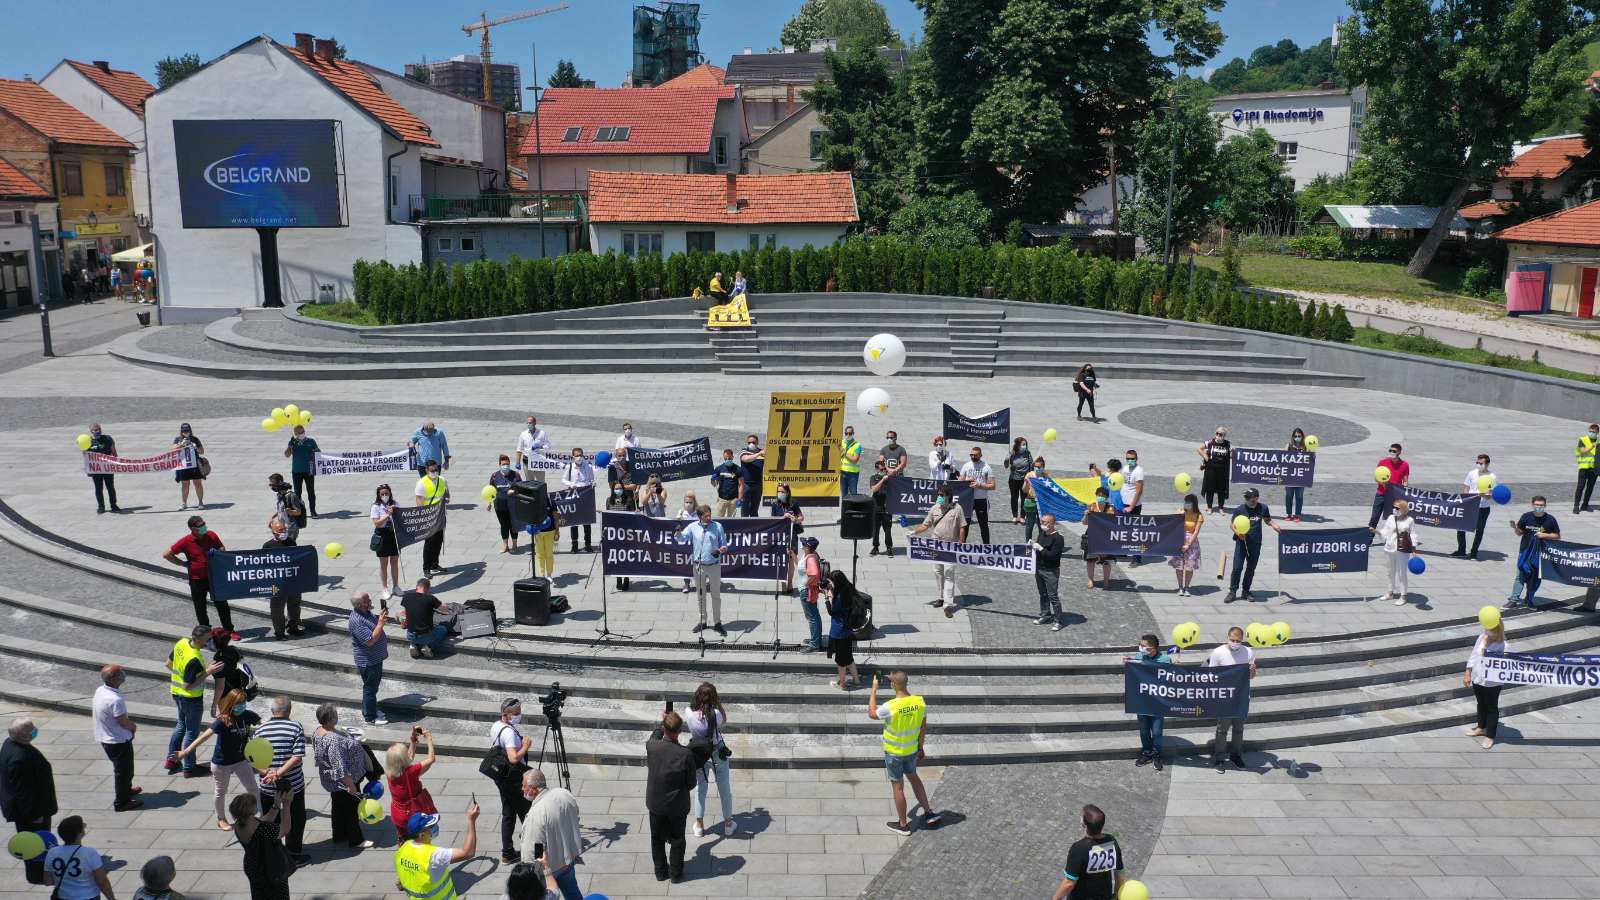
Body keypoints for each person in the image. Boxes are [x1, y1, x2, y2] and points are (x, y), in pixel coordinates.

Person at [869, 671, 941, 835]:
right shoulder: (920, 702)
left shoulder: (890, 706)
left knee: (898, 787)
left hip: (894, 752)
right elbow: (923, 727)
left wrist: (874, 689)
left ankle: (903, 825)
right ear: (906, 683)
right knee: (914, 778)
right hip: (911, 751)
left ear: (893, 685)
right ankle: (928, 812)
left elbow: (872, 713)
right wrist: (920, 747)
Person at [179, 687, 260, 831]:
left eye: (244, 703)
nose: (242, 706)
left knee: (253, 788)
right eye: (238, 703)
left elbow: (264, 724)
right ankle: (221, 818)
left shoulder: (247, 715)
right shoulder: (223, 720)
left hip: (241, 760)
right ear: (231, 704)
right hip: (222, 763)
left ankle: (256, 813)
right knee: (221, 791)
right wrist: (186, 752)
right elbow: (204, 737)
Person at [1, 716, 56, 884]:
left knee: (34, 842)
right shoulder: (20, 759)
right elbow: (24, 792)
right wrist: (34, 815)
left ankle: (37, 873)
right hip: (32, 813)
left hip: (29, 810)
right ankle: (37, 875)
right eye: (32, 729)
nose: (35, 730)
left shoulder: (10, 744)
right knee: (35, 843)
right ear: (24, 736)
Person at [312, 703, 374, 849]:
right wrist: (351, 785)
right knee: (351, 809)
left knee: (338, 806)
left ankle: (339, 835)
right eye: (335, 715)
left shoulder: (317, 732)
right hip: (344, 781)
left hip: (330, 780)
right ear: (331, 719)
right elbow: (339, 766)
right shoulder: (332, 740)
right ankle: (356, 839)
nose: (337, 717)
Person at [645, 711, 697, 883]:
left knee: (656, 839)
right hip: (677, 805)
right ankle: (675, 874)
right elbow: (691, 784)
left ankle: (660, 872)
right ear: (679, 731)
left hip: (656, 803)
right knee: (677, 840)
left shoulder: (652, 746)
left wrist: (662, 723)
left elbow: (655, 735)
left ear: (664, 728)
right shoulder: (685, 755)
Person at [255, 696, 308, 863]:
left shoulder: (260, 730)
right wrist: (279, 773)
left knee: (270, 821)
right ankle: (294, 855)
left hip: (268, 787)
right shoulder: (295, 727)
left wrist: (268, 773)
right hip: (293, 787)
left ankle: (273, 855)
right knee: (296, 820)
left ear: (272, 711)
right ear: (289, 710)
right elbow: (297, 757)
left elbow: (252, 760)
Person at [519, 768, 585, 900]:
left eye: (524, 786)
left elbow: (536, 850)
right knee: (573, 894)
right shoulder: (564, 794)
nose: (522, 789)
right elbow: (575, 815)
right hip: (568, 860)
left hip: (549, 869)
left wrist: (532, 870)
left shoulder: (536, 814)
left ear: (534, 788)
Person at [164, 515, 235, 635]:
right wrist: (183, 564)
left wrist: (218, 552)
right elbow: (167, 554)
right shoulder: (186, 541)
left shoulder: (211, 535)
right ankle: (206, 633)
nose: (204, 527)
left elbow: (222, 547)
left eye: (204, 524)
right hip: (197, 580)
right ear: (193, 529)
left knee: (222, 604)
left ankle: (229, 630)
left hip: (214, 577)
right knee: (200, 607)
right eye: (200, 526)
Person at [165, 625, 220, 779]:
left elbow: (168, 663)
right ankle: (189, 767)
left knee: (181, 725)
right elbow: (188, 686)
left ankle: (172, 760)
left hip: (176, 693)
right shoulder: (194, 659)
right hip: (191, 698)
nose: (210, 641)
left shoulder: (182, 643)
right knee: (191, 731)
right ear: (200, 639)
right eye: (208, 639)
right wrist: (207, 672)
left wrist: (182, 675)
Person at [683, 682, 735, 840]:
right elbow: (724, 719)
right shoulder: (716, 714)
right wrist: (718, 703)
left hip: (699, 754)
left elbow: (692, 708)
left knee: (700, 788)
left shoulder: (689, 713)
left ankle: (699, 825)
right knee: (724, 788)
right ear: (713, 698)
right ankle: (728, 824)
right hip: (717, 753)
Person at [395, 806, 480, 900]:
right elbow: (468, 853)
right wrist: (471, 821)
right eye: (431, 827)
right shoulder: (434, 855)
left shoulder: (403, 849)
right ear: (422, 835)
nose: (435, 828)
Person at [1205, 626, 1257, 770]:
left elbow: (1251, 676)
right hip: (1225, 697)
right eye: (1232, 640)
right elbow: (1211, 675)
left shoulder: (1248, 652)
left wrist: (1252, 671)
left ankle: (1236, 756)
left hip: (1241, 697)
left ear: (1242, 640)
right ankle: (1219, 758)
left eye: (1238, 640)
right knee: (1222, 729)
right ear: (1227, 637)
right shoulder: (1218, 653)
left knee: (1239, 729)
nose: (1235, 642)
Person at [909, 484, 966, 616]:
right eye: (938, 495)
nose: (939, 497)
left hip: (950, 546)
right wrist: (914, 532)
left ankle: (948, 605)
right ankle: (941, 598)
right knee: (937, 571)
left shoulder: (957, 509)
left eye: (942, 495)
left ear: (948, 496)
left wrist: (962, 543)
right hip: (936, 545)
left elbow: (963, 526)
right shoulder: (934, 508)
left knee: (949, 574)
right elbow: (925, 525)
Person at [1050, 804, 1125, 900]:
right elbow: (1120, 875)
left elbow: (1069, 883)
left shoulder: (1079, 848)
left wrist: (1055, 898)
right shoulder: (1112, 842)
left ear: (1084, 824)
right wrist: (1116, 896)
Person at [93, 664, 141, 811]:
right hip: (117, 740)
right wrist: (133, 727)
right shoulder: (115, 700)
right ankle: (121, 802)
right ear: (114, 679)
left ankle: (126, 790)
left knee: (126, 769)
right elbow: (122, 721)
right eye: (120, 673)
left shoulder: (101, 690)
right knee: (123, 771)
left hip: (106, 737)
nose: (123, 675)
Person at [676, 504, 730, 636]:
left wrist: (721, 549)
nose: (709, 518)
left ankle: (717, 623)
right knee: (700, 595)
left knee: (716, 595)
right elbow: (682, 539)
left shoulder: (717, 526)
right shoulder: (693, 527)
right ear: (699, 517)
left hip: (714, 566)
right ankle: (703, 621)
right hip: (698, 566)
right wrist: (678, 532)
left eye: (710, 515)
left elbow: (724, 545)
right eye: (706, 516)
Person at [491, 699, 534, 863]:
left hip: (502, 777)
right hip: (513, 779)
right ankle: (536, 852)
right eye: (516, 713)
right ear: (505, 715)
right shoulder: (508, 733)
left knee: (508, 813)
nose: (519, 716)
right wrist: (525, 746)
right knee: (530, 814)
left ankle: (507, 852)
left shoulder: (496, 726)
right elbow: (513, 757)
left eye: (519, 712)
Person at [229, 792, 293, 900]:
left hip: (254, 866)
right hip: (271, 869)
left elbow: (264, 820)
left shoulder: (238, 825)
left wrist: (276, 805)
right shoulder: (264, 829)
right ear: (252, 811)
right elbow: (285, 828)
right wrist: (286, 805)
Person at [1226, 488, 1281, 602]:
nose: (1247, 500)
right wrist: (1238, 533)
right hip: (1241, 542)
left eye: (1249, 498)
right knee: (1237, 567)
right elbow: (1232, 525)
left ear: (1256, 498)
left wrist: (1273, 524)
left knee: (1251, 568)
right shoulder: (1240, 510)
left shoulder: (1263, 508)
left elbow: (1267, 519)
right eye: (1246, 497)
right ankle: (1232, 592)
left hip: (1255, 543)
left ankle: (1246, 591)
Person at [344, 591, 391, 726]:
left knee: (373, 687)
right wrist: (381, 623)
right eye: (367, 600)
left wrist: (380, 619)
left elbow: (374, 629)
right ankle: (370, 717)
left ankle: (370, 709)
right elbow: (370, 641)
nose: (370, 601)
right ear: (360, 604)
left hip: (375, 658)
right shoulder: (356, 621)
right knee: (370, 688)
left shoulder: (366, 612)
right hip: (368, 661)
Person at [1507, 496, 1560, 609]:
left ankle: (1529, 599)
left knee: (1535, 577)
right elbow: (1520, 533)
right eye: (1537, 505)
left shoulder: (1550, 520)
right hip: (1525, 552)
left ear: (1545, 506)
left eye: (1541, 505)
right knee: (1520, 575)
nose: (1539, 507)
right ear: (1532, 505)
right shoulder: (1526, 517)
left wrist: (1545, 535)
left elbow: (1557, 536)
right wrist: (1515, 528)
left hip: (1540, 553)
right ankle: (1513, 599)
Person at [43, 815, 114, 900]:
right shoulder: (90, 853)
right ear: (80, 833)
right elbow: (102, 881)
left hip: (63, 897)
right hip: (89, 896)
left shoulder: (52, 852)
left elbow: (47, 881)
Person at [385, 728, 438, 841]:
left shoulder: (390, 772)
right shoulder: (411, 772)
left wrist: (413, 739)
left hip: (397, 813)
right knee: (419, 840)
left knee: (403, 840)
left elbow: (409, 757)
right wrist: (429, 738)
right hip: (412, 815)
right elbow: (431, 759)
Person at [1129, 636, 1171, 769]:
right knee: (1144, 729)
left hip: (1158, 702)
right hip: (1142, 701)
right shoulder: (1139, 656)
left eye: (1144, 646)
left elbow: (1169, 679)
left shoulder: (1165, 660)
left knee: (1157, 731)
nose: (1141, 648)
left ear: (1153, 648)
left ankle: (1157, 754)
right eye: (1140, 645)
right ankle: (1146, 752)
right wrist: (1129, 664)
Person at [1465, 619, 1508, 750]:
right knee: (1481, 703)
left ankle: (1490, 736)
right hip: (1478, 678)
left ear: (1497, 631)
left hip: (1492, 682)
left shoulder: (1503, 645)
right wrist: (1468, 672)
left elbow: (1507, 663)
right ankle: (1481, 727)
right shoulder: (1482, 637)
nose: (1488, 632)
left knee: (1491, 707)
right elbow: (1473, 655)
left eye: (1491, 630)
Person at [260, 519, 304, 639]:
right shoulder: (268, 546)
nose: (284, 532)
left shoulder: (290, 541)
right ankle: (279, 632)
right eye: (280, 530)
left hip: (292, 580)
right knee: (277, 608)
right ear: (274, 532)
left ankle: (293, 627)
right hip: (277, 583)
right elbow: (263, 565)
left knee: (294, 605)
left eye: (285, 529)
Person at [1373, 498, 1421, 606]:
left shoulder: (1409, 520)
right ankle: (1390, 592)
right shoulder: (1391, 518)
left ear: (1403, 509)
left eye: (1397, 508)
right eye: (1393, 507)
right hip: (1389, 547)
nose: (1394, 509)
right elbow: (1385, 531)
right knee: (1390, 572)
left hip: (1402, 550)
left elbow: (1413, 535)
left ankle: (1403, 596)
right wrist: (1376, 532)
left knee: (1401, 573)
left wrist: (1414, 549)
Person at [824, 570, 862, 689]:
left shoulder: (840, 597)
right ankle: (856, 680)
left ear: (836, 582)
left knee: (840, 661)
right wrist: (831, 590)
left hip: (839, 632)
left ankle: (842, 684)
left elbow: (832, 612)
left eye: (832, 581)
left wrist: (826, 598)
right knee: (849, 657)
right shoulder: (848, 589)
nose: (831, 584)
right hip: (847, 631)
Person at [1455, 454, 1495, 559]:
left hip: (1483, 507)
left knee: (1479, 530)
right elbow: (1466, 487)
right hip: (1470, 506)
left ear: (1487, 464)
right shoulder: (1472, 473)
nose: (1478, 465)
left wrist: (1484, 495)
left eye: (1481, 463)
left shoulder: (1491, 477)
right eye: (1477, 462)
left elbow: (1490, 495)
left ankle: (1474, 552)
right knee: (1460, 527)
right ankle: (1461, 550)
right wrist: (1466, 499)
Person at [414, 460, 450, 577]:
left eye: (436, 470)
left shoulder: (442, 480)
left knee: (439, 540)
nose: (435, 472)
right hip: (429, 516)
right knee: (429, 543)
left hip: (440, 515)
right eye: (432, 470)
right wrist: (424, 516)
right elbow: (419, 501)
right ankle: (426, 568)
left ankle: (435, 564)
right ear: (426, 470)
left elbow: (447, 494)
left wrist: (447, 499)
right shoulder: (421, 483)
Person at [401, 577, 449, 659]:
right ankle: (428, 646)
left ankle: (413, 645)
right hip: (425, 634)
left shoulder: (406, 597)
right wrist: (445, 605)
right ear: (427, 588)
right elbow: (444, 609)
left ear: (417, 586)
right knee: (443, 629)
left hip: (410, 634)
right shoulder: (430, 598)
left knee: (417, 633)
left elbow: (405, 613)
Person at [1032, 514, 1065, 630]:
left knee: (1053, 596)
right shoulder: (1042, 534)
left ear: (1052, 524)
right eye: (1042, 521)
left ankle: (1058, 620)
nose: (1042, 524)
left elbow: (1053, 556)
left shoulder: (1058, 539)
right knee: (1043, 594)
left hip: (1051, 571)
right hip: (1039, 569)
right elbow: (1037, 550)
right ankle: (1045, 614)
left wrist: (1040, 548)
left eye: (1045, 522)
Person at [770, 482, 805, 590]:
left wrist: (795, 519)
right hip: (780, 535)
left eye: (782, 492)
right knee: (781, 560)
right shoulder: (775, 504)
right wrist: (783, 517)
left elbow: (801, 517)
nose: (780, 493)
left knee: (790, 560)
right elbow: (772, 520)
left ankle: (789, 582)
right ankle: (783, 583)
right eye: (778, 491)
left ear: (787, 492)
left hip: (791, 535)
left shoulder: (793, 503)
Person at [370, 484, 401, 600]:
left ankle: (396, 586)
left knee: (394, 561)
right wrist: (388, 515)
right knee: (383, 563)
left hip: (393, 534)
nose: (384, 496)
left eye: (386, 493)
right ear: (378, 495)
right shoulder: (375, 506)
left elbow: (400, 518)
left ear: (390, 493)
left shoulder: (395, 503)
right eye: (382, 494)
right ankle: (384, 588)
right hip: (382, 535)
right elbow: (377, 523)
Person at [561, 448, 595, 552]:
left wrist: (592, 483)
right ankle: (574, 545)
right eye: (576, 455)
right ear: (573, 457)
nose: (579, 457)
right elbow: (563, 479)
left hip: (585, 495)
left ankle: (588, 544)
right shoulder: (569, 467)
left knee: (586, 521)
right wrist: (571, 484)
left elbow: (591, 479)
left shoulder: (588, 467)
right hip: (574, 495)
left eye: (580, 455)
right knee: (574, 522)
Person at [1370, 442, 1411, 528]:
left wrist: (1404, 493)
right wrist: (1382, 483)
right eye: (1390, 450)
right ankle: (1368, 540)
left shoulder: (1405, 465)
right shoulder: (1382, 462)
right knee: (1374, 517)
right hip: (1381, 494)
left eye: (1394, 451)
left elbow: (1405, 481)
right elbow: (1376, 478)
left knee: (1392, 520)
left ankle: (1390, 540)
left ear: (1399, 452)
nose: (1392, 452)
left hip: (1394, 497)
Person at [960, 446, 996, 543]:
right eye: (971, 455)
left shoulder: (986, 467)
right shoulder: (966, 466)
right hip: (967, 499)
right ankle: (961, 546)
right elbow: (959, 482)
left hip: (981, 499)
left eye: (975, 455)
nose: (972, 456)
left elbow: (993, 486)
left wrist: (980, 485)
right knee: (965, 524)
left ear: (980, 455)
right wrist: (967, 481)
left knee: (983, 524)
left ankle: (986, 547)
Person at [283, 425, 320, 518]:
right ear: (295, 433)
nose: (302, 434)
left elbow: (318, 453)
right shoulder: (293, 442)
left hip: (309, 471)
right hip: (297, 471)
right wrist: (290, 446)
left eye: (303, 431)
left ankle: (313, 511)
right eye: (299, 433)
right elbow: (287, 455)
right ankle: (299, 512)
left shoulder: (311, 441)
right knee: (297, 493)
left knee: (311, 491)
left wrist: (317, 451)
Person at [488, 454, 522, 554]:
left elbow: (521, 488)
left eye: (507, 464)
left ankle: (515, 544)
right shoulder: (495, 476)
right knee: (504, 525)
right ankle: (505, 545)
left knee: (513, 524)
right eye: (503, 464)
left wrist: (514, 492)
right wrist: (489, 503)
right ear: (499, 465)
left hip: (513, 505)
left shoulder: (515, 475)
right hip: (499, 505)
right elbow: (490, 490)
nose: (505, 466)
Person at [1170, 495, 1204, 596]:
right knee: (1179, 566)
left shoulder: (1199, 515)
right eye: (1186, 502)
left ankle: (1187, 587)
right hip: (1179, 539)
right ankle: (1180, 587)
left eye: (1189, 502)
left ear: (1194, 503)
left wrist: (1188, 544)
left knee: (1189, 566)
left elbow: (1196, 531)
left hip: (1192, 542)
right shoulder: (1180, 512)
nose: (1187, 504)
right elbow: (1172, 523)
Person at [1082, 487, 1114, 589]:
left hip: (1106, 537)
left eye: (1103, 496)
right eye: (1099, 495)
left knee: (1107, 560)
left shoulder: (1110, 508)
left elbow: (1113, 522)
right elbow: (1084, 522)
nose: (1100, 497)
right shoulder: (1091, 506)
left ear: (1106, 497)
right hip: (1092, 535)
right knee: (1090, 560)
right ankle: (1090, 580)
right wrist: (1086, 515)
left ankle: (1106, 582)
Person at [606, 482, 636, 590]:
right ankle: (618, 578)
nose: (618, 490)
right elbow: (608, 514)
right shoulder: (609, 500)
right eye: (616, 488)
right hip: (614, 534)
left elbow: (633, 516)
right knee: (616, 558)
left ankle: (626, 579)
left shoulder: (628, 500)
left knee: (625, 558)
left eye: (620, 488)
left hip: (626, 533)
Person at [799, 536, 825, 651]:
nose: (802, 545)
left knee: (812, 617)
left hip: (807, 591)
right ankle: (816, 639)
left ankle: (815, 644)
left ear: (808, 547)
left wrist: (806, 583)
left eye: (804, 544)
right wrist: (793, 555)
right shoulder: (811, 555)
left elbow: (814, 574)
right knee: (815, 616)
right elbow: (801, 569)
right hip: (809, 590)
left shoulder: (810, 559)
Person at [1121, 449, 1146, 564]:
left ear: (1136, 459)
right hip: (1124, 503)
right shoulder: (1125, 469)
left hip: (1134, 506)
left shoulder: (1139, 471)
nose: (1130, 460)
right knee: (1124, 530)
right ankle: (1124, 551)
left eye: (1132, 459)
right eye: (1128, 459)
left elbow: (1139, 491)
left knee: (1135, 532)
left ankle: (1137, 557)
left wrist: (1131, 506)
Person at [86, 424, 119, 513]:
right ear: (91, 431)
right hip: (96, 470)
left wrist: (116, 464)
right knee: (98, 488)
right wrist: (88, 469)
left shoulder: (108, 439)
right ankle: (101, 507)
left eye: (99, 429)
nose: (97, 431)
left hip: (108, 468)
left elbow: (114, 453)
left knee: (110, 487)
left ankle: (114, 505)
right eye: (95, 430)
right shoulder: (88, 441)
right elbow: (86, 456)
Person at [1197, 426, 1231, 512]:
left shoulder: (1227, 444)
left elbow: (1229, 456)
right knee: (1210, 488)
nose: (1218, 435)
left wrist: (1233, 453)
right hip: (1211, 469)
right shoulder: (1210, 442)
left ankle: (1221, 507)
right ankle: (1209, 507)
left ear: (1224, 435)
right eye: (1217, 433)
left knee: (1221, 489)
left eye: (1221, 434)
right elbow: (1199, 449)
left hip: (1222, 470)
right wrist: (1205, 457)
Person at [172, 423, 206, 509]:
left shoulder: (195, 439)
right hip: (184, 465)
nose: (186, 433)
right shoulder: (178, 439)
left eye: (187, 431)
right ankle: (184, 503)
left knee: (198, 483)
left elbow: (202, 451)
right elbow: (172, 449)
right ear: (181, 432)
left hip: (195, 465)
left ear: (190, 431)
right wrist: (181, 444)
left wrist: (195, 447)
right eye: (184, 431)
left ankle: (200, 502)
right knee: (185, 484)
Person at [266, 473, 304, 544]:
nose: (272, 487)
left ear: (280, 482)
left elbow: (298, 512)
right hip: (281, 527)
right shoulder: (279, 494)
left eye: (273, 484)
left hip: (290, 528)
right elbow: (281, 509)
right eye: (270, 485)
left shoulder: (291, 496)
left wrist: (291, 511)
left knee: (289, 547)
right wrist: (274, 518)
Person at [868, 455, 895, 555]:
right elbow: (874, 489)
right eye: (881, 469)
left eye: (884, 469)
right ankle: (875, 547)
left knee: (887, 529)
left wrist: (887, 475)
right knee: (875, 529)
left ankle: (889, 547)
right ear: (876, 469)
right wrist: (882, 480)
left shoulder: (890, 479)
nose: (883, 470)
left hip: (887, 507)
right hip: (876, 507)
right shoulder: (873, 478)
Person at [1004, 437, 1034, 524]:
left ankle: (1022, 517)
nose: (1025, 446)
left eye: (1026, 444)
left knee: (1024, 498)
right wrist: (1007, 460)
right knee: (1014, 497)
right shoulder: (1012, 453)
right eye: (1023, 444)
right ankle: (1014, 516)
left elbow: (1031, 466)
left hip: (1025, 480)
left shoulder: (1028, 453)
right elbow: (1006, 466)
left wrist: (1034, 465)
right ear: (1018, 445)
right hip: (1014, 479)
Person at [516, 415, 551, 482]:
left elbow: (548, 445)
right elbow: (519, 449)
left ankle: (541, 492)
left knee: (541, 481)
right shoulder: (523, 434)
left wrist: (541, 447)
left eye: (530, 423)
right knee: (529, 481)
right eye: (528, 423)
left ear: (535, 423)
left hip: (538, 460)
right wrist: (518, 462)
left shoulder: (542, 433)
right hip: (527, 460)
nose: (529, 424)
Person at [1284, 428, 1308, 522]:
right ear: (1293, 437)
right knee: (1289, 495)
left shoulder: (1306, 447)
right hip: (1289, 475)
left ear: (1302, 436)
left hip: (1301, 476)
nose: (1297, 438)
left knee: (1299, 496)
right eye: (1295, 436)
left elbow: (1311, 459)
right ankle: (1289, 514)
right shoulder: (1289, 445)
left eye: (1299, 436)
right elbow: (1281, 457)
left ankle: (1297, 515)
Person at [738, 436, 765, 516]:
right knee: (745, 508)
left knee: (755, 508)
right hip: (746, 484)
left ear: (757, 443)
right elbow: (746, 459)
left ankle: (754, 527)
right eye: (749, 442)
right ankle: (744, 526)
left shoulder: (762, 452)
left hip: (758, 484)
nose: (751, 444)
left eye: (753, 442)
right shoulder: (744, 451)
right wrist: (759, 454)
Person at [711, 448, 741, 518]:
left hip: (733, 499)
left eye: (729, 458)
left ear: (732, 457)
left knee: (731, 520)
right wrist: (713, 479)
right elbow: (714, 484)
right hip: (721, 499)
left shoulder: (738, 469)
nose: (727, 459)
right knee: (719, 518)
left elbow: (741, 484)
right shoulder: (719, 469)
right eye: (725, 458)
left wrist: (740, 498)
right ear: (723, 457)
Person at [1022, 457, 1046, 541]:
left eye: (1039, 467)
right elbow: (1024, 490)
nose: (1037, 468)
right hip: (1031, 502)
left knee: (1042, 525)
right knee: (1030, 525)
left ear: (1043, 467)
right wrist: (1026, 482)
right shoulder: (1029, 475)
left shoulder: (1045, 476)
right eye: (1035, 466)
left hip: (1042, 503)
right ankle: (1028, 544)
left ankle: (1041, 542)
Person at [1576, 423, 1598, 514]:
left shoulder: (1599, 441)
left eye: (1593, 432)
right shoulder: (1583, 439)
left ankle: (1585, 504)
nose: (1591, 433)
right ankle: (1576, 506)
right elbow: (1582, 451)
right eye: (1590, 431)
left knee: (1590, 487)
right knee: (1580, 487)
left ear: (1597, 432)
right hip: (1584, 468)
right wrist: (1592, 446)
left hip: (1594, 469)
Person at [839, 424, 863, 496]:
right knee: (844, 494)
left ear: (853, 434)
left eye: (850, 433)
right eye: (846, 433)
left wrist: (844, 452)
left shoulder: (857, 445)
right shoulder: (841, 442)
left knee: (853, 494)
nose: (848, 435)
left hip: (853, 473)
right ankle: (844, 507)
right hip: (842, 472)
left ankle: (853, 507)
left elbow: (855, 460)